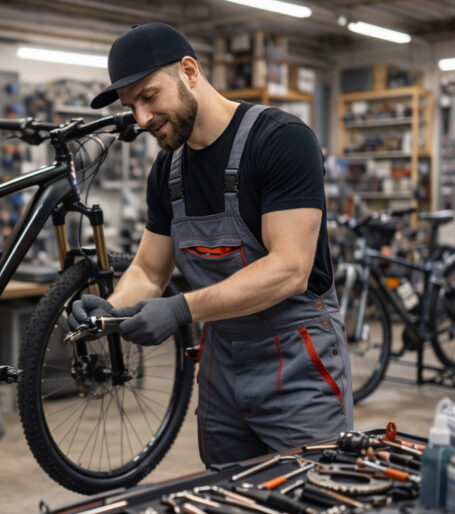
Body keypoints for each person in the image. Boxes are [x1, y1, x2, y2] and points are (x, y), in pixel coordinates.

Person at [69, 22, 353, 467]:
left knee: (310, 487)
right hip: (223, 364)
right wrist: (111, 309)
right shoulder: (167, 173)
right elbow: (149, 269)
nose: (141, 119)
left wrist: (180, 310)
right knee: (223, 491)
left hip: (298, 361)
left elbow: (290, 269)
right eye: (132, 106)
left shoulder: (280, 141)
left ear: (189, 71)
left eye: (149, 97)